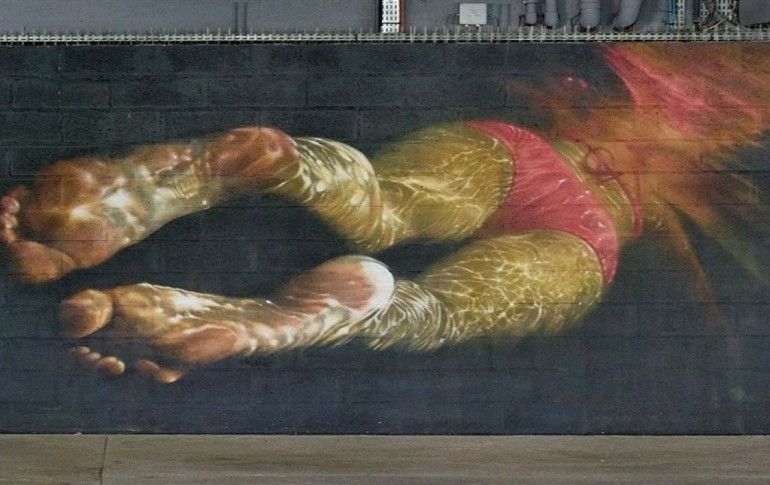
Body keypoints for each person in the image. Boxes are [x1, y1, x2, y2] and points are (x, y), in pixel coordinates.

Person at [1, 44, 767, 383]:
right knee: (431, 309)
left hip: (529, 155)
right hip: (590, 230)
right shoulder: (713, 171)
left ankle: (285, 166)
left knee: (382, 204)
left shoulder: (654, 66)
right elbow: (696, 285)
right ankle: (304, 316)